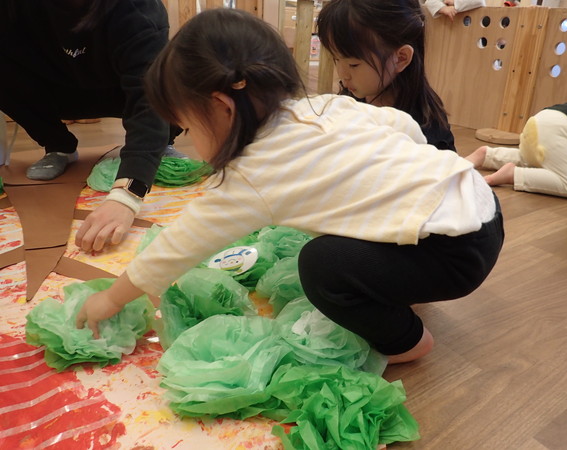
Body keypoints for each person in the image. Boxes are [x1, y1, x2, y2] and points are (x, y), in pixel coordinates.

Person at [76, 8, 504, 364]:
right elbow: (402, 124)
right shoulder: (325, 105)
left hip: (454, 253)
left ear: (222, 108)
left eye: (188, 127)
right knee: (338, 236)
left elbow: (179, 246)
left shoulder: (253, 175)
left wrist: (111, 299)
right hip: (480, 206)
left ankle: (406, 342)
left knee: (320, 265)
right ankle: (397, 282)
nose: (190, 140)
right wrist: (426, 169)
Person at [0, 0, 182, 252]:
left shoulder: (138, 9)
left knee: (169, 80)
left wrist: (127, 195)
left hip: (122, 88)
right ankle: (58, 146)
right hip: (61, 90)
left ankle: (161, 145)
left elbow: (147, 98)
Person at [316, 0, 457, 151]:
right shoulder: (351, 99)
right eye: (336, 59)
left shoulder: (424, 126)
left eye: (353, 65)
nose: (343, 74)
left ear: (401, 58)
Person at [466, 93, 567, 198]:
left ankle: (488, 155)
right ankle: (514, 174)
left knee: (529, 159)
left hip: (542, 117)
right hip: (565, 128)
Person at [421, 0, 486, 21]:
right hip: (451, 30)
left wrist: (455, 2)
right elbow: (429, 2)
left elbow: (480, 1)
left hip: (473, 25)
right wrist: (443, 8)